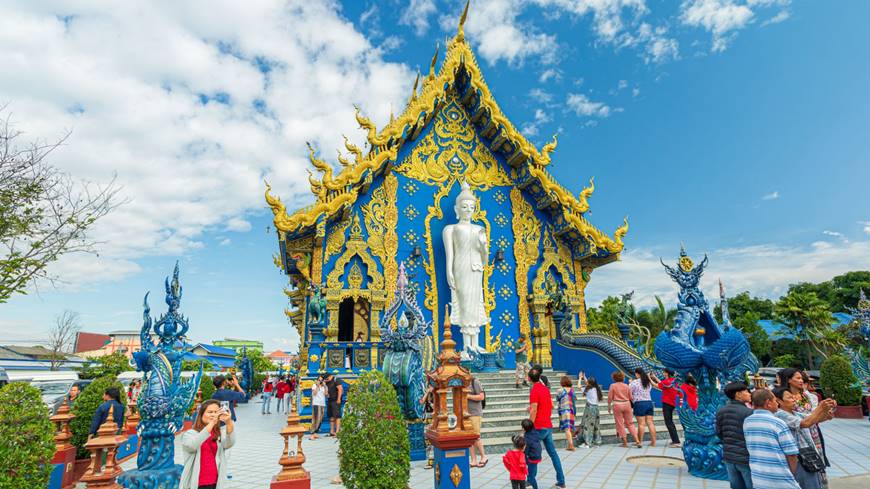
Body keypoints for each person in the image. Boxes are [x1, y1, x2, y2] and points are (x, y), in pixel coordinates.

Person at [773, 387, 836, 489]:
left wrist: (828, 410)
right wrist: (820, 408)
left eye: (793, 397)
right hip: (799, 458)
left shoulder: (795, 413)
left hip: (807, 455)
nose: (794, 399)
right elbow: (806, 423)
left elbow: (814, 419)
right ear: (779, 401)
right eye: (789, 397)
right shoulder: (780, 414)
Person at [743, 388, 800, 489]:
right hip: (781, 481)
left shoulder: (747, 422)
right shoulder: (778, 423)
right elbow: (791, 454)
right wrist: (790, 474)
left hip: (758, 479)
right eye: (775, 401)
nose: (777, 404)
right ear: (768, 403)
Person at [180, 400, 236, 489]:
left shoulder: (218, 433)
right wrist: (212, 423)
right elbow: (192, 446)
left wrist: (229, 421)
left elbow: (229, 443)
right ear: (201, 415)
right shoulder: (190, 434)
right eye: (210, 412)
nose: (213, 415)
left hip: (216, 482)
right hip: (197, 483)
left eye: (216, 412)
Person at [780, 368, 829, 468]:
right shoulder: (784, 397)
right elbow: (803, 420)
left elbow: (818, 417)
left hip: (814, 433)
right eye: (798, 378)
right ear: (789, 380)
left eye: (802, 378)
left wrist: (827, 411)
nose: (801, 381)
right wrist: (820, 409)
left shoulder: (808, 396)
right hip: (797, 435)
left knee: (816, 462)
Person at [527, 366, 565, 489]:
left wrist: (529, 427)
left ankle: (530, 481)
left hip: (537, 426)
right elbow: (549, 405)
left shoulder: (534, 390)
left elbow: (534, 411)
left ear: (529, 378)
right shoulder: (545, 389)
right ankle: (561, 481)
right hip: (547, 426)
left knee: (532, 454)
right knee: (553, 454)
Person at [716, 382, 755, 489]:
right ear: (738, 394)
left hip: (729, 456)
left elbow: (719, 433)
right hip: (745, 457)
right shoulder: (748, 412)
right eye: (746, 391)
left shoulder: (721, 411)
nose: (749, 393)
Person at [608, 370, 641, 448]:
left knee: (620, 424)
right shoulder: (626, 385)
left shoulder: (613, 385)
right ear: (623, 377)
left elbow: (610, 397)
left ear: (614, 378)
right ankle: (637, 441)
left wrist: (609, 406)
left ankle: (625, 443)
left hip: (617, 404)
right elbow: (631, 397)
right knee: (630, 423)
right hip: (627, 404)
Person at [631, 368, 657, 447]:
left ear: (637, 374)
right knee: (650, 423)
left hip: (639, 403)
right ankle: (653, 442)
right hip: (649, 403)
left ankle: (639, 442)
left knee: (641, 424)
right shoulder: (648, 382)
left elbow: (629, 392)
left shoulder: (634, 382)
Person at [656, 368, 682, 447]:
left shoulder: (666, 382)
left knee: (669, 423)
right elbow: (661, 384)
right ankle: (675, 440)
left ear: (666, 373)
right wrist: (654, 378)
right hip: (672, 404)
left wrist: (650, 379)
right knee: (670, 422)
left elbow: (657, 385)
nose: (663, 373)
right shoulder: (674, 382)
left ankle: (676, 441)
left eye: (664, 372)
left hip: (666, 404)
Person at [576, 376, 603, 448]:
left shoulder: (588, 389)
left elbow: (579, 386)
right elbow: (588, 383)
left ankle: (587, 443)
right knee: (596, 425)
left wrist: (579, 378)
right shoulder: (597, 389)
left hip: (590, 408)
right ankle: (597, 441)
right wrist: (584, 377)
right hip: (596, 409)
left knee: (587, 425)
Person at [468, 375, 488, 467]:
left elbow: (481, 397)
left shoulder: (475, 381)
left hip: (475, 413)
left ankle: (483, 456)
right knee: (469, 439)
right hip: (466, 414)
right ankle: (473, 459)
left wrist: (468, 396)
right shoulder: (462, 382)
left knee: (476, 436)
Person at [556, 376, 576, 451]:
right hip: (571, 410)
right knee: (569, 428)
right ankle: (569, 444)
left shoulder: (560, 390)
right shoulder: (572, 390)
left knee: (567, 429)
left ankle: (571, 445)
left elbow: (557, 398)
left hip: (564, 410)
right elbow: (574, 399)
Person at [522, 419, 542, 489]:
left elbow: (526, 450)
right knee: (533, 471)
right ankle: (529, 482)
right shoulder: (535, 432)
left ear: (524, 428)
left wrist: (525, 460)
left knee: (531, 476)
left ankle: (534, 486)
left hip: (532, 458)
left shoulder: (527, 438)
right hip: (538, 455)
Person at [310, 375, 327, 440]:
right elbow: (314, 393)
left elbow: (326, 394)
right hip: (316, 404)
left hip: (322, 404)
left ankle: (315, 433)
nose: (320, 381)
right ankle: (312, 433)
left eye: (321, 380)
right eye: (319, 380)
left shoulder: (324, 387)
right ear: (317, 380)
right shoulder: (314, 385)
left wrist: (325, 386)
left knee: (320, 419)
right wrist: (317, 386)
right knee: (315, 418)